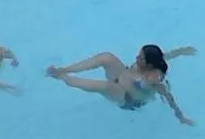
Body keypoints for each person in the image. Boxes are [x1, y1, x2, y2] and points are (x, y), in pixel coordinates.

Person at [46, 45, 196, 124]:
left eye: (141, 58)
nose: (136, 58)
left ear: (149, 65)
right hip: (121, 77)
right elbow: (167, 55)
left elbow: (168, 97)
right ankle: (65, 69)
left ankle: (63, 77)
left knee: (105, 86)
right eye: (139, 55)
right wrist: (183, 51)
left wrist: (181, 117)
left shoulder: (153, 79)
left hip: (128, 98)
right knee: (107, 57)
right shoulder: (152, 61)